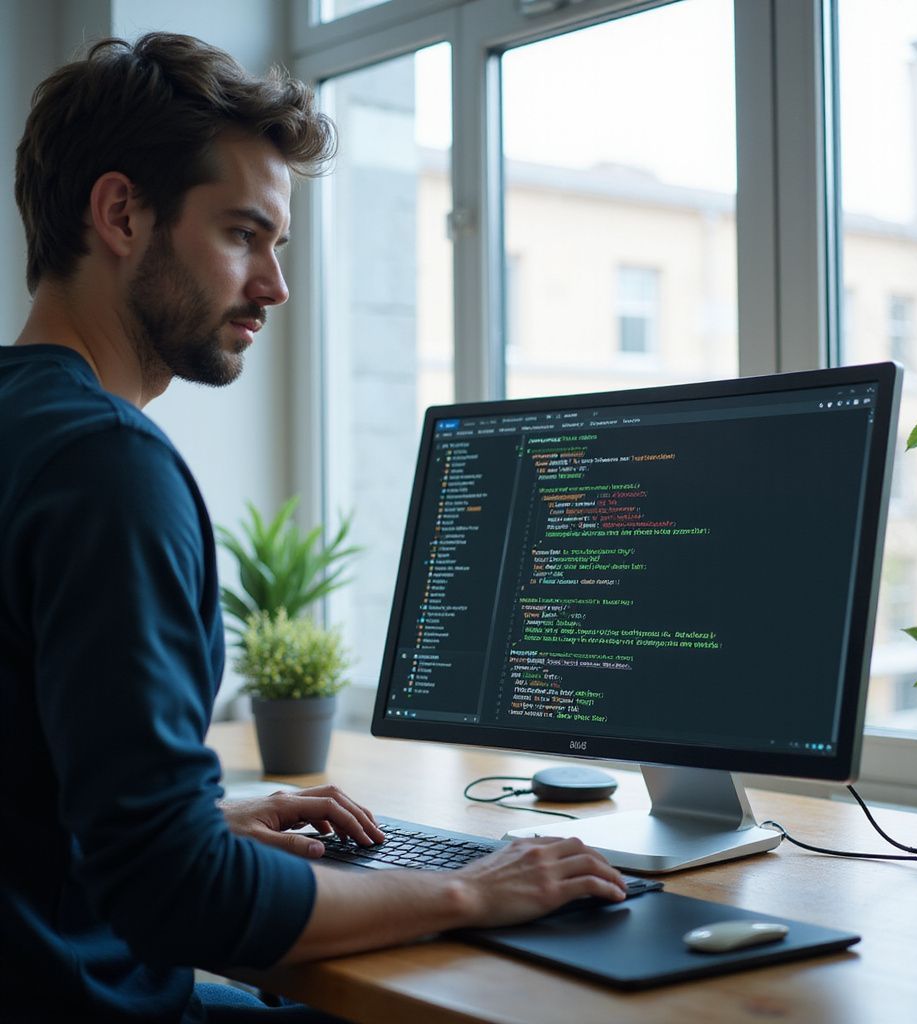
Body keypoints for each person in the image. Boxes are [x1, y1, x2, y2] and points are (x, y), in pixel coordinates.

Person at [0, 32, 627, 1023]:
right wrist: (475, 887)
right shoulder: (106, 468)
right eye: (244, 234)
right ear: (121, 213)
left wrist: (200, 822)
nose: (274, 286)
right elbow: (178, 897)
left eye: (277, 245)